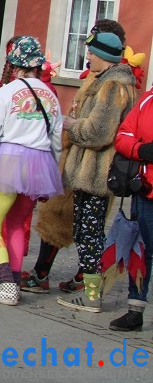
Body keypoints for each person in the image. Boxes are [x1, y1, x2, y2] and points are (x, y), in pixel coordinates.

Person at [0, 36, 63, 306]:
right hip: (39, 163)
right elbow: (56, 141)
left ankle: (6, 282)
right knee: (17, 226)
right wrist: (49, 178)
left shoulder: (5, 92)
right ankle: (15, 279)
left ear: (14, 63)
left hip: (8, 161)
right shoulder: (50, 96)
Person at [56, 28, 137, 311]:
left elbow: (98, 132)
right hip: (88, 173)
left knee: (90, 232)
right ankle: (92, 289)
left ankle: (92, 295)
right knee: (84, 230)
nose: (87, 56)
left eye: (92, 52)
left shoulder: (112, 87)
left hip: (96, 175)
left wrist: (69, 124)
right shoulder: (104, 81)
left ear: (105, 56)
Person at [108, 86, 153, 331]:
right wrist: (140, 150)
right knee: (142, 251)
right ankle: (135, 311)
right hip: (146, 191)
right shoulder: (148, 98)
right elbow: (122, 136)